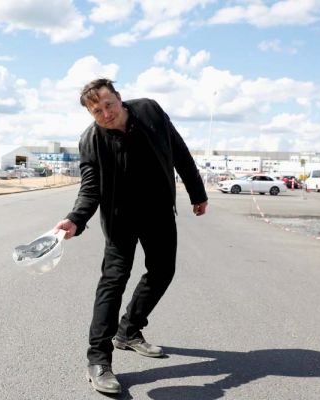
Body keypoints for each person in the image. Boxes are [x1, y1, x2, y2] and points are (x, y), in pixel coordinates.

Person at [54, 79, 208, 394]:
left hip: (159, 213)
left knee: (163, 271)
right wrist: (75, 219)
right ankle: (98, 360)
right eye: (97, 111)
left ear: (119, 98)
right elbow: (90, 188)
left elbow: (179, 152)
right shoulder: (91, 140)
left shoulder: (150, 111)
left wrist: (197, 193)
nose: (105, 114)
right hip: (120, 219)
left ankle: (129, 330)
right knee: (113, 281)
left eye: (108, 105)